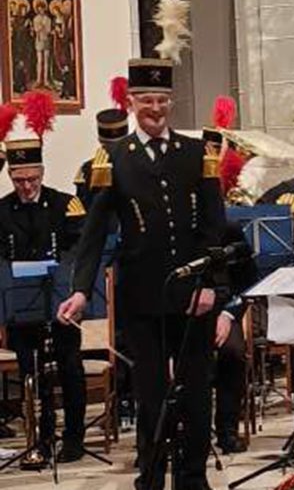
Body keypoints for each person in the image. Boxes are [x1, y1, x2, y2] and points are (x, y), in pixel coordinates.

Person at [57, 57, 226, 490]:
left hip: (193, 296)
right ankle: (150, 478)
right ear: (131, 103)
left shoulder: (196, 154)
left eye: (163, 100)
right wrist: (79, 291)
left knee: (194, 394)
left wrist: (210, 286)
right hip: (142, 298)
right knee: (151, 397)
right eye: (147, 100)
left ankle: (193, 479)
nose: (156, 108)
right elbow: (93, 235)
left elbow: (214, 228)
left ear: (172, 102)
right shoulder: (113, 159)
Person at [0, 139, 87, 463]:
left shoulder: (66, 204)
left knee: (69, 369)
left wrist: (61, 272)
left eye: (32, 179)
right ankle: (41, 438)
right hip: (22, 306)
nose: (26, 186)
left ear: (42, 173)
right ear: (10, 176)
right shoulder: (3, 210)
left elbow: (79, 248)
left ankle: (74, 439)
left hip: (61, 303)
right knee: (30, 375)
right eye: (19, 180)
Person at [210, 223, 255, 454]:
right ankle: (186, 431)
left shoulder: (231, 232)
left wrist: (227, 315)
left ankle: (227, 430)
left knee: (233, 353)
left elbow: (248, 281)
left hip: (226, 311)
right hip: (187, 311)